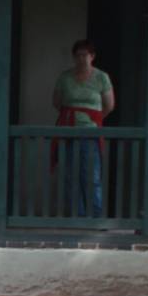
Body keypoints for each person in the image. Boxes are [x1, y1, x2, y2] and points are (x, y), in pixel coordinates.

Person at [51, 39, 115, 218]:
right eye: (77, 55)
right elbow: (56, 102)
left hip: (90, 133)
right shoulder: (65, 77)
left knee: (92, 176)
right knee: (70, 176)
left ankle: (94, 216)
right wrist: (71, 117)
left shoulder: (101, 77)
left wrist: (91, 119)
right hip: (68, 131)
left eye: (84, 55)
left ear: (92, 56)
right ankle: (76, 216)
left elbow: (109, 105)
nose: (81, 58)